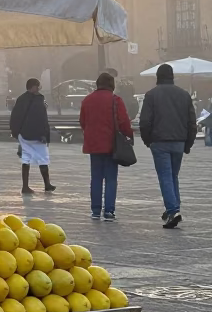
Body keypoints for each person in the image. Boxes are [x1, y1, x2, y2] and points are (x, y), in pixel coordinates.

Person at [139, 62, 196, 229]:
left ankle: (173, 210)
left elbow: (144, 122)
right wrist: (188, 143)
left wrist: (147, 140)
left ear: (158, 77)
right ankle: (173, 207)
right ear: (173, 77)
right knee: (173, 176)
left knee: (165, 176)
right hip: (179, 142)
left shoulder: (151, 95)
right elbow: (192, 122)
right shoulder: (184, 95)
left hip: (159, 142)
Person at [79, 72, 133, 221]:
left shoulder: (87, 100)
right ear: (112, 85)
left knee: (96, 177)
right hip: (111, 144)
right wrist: (129, 135)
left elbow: (83, 121)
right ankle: (109, 210)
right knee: (111, 178)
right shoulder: (115, 100)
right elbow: (123, 121)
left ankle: (95, 210)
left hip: (93, 145)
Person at [9, 78, 55, 194]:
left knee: (26, 159)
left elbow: (14, 117)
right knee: (43, 159)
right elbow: (42, 119)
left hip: (24, 135)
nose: (39, 88)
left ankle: (25, 186)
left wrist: (16, 132)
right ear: (33, 86)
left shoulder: (21, 99)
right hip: (37, 135)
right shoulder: (39, 100)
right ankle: (47, 184)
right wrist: (45, 134)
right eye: (38, 86)